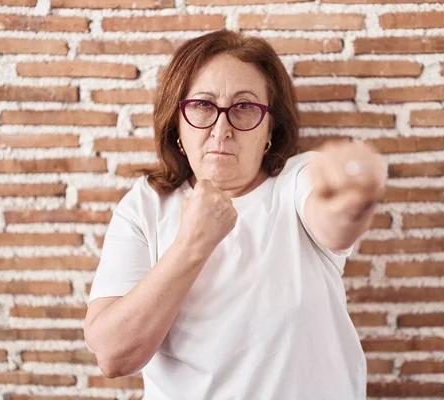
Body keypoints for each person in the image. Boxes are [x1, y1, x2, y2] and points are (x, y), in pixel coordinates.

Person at [83, 29, 387, 400]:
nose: (222, 129)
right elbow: (114, 356)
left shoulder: (297, 181)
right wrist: (193, 243)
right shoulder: (145, 205)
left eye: (244, 107)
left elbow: (334, 220)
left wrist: (351, 200)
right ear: (177, 126)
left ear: (270, 130)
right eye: (202, 106)